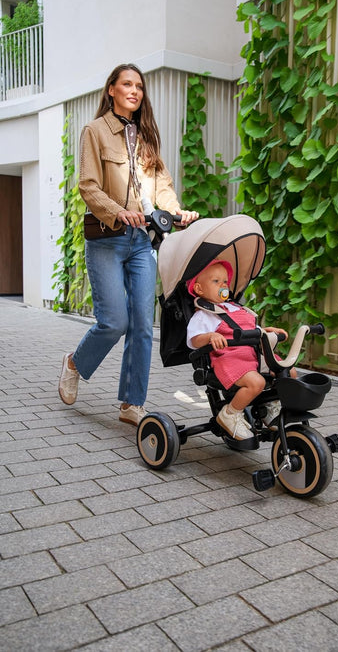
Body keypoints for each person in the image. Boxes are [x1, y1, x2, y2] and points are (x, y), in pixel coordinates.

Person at [58, 63, 198, 425]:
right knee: (114, 321)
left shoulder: (147, 136)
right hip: (107, 238)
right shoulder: (95, 131)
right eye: (127, 84)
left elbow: (162, 187)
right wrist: (118, 212)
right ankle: (75, 363)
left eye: (139, 86)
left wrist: (178, 212)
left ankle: (132, 403)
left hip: (141, 242)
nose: (134, 91)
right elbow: (88, 186)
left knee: (141, 326)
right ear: (112, 90)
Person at [186, 260, 295, 441]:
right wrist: (210, 336)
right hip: (229, 359)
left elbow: (249, 330)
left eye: (225, 282)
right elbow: (194, 340)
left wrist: (265, 331)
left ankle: (269, 404)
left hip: (253, 354)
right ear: (199, 288)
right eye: (216, 281)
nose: (223, 285)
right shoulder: (204, 315)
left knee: (289, 372)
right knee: (256, 382)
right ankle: (230, 414)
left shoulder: (235, 308)